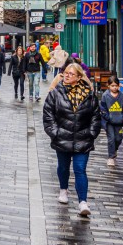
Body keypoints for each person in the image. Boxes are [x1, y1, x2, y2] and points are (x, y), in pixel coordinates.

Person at [43, 63, 101, 217]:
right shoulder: (56, 93)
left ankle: (83, 202)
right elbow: (48, 115)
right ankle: (63, 189)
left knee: (80, 169)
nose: (66, 76)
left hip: (83, 139)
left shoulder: (89, 94)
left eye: (70, 74)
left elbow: (96, 115)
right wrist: (55, 133)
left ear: (79, 77)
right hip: (62, 138)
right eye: (65, 73)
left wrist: (92, 133)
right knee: (63, 167)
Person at [99, 76, 123, 167]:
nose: (114, 87)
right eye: (112, 86)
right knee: (111, 139)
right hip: (109, 122)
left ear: (119, 86)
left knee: (118, 138)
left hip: (119, 121)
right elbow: (103, 108)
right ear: (108, 86)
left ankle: (114, 149)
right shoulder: (105, 96)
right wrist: (108, 117)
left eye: (116, 85)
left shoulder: (122, 96)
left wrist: (122, 117)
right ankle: (111, 157)